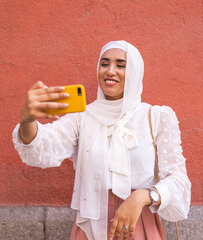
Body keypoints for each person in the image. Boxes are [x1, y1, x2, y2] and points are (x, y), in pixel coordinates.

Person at [12, 40, 191, 240]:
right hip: (90, 229)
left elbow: (178, 182)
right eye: (104, 64)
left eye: (121, 65)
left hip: (139, 225)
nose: (110, 71)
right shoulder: (82, 117)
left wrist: (141, 197)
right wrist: (27, 120)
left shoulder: (157, 117)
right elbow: (45, 147)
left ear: (136, 71)